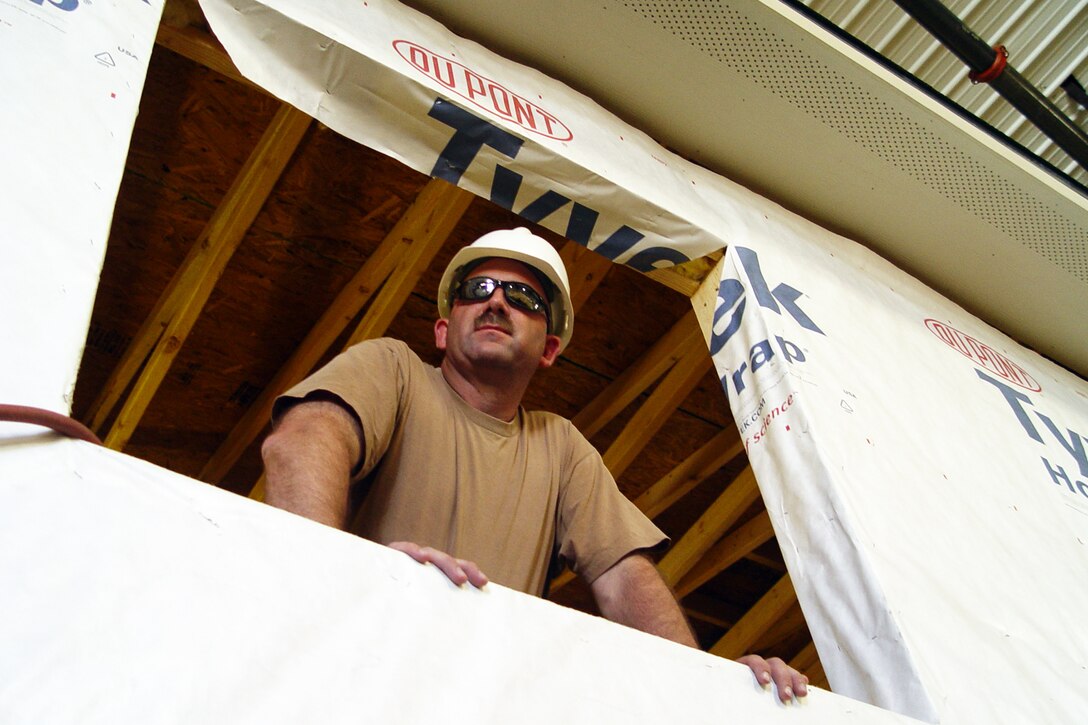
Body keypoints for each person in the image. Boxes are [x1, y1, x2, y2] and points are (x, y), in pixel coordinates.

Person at [261, 228, 808, 702]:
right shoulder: (394, 370)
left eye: (521, 296)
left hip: (482, 703)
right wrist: (340, 574)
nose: (496, 301)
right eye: (478, 290)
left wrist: (712, 687)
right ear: (443, 330)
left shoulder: (560, 446)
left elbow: (624, 578)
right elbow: (303, 441)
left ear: (548, 349)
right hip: (354, 672)